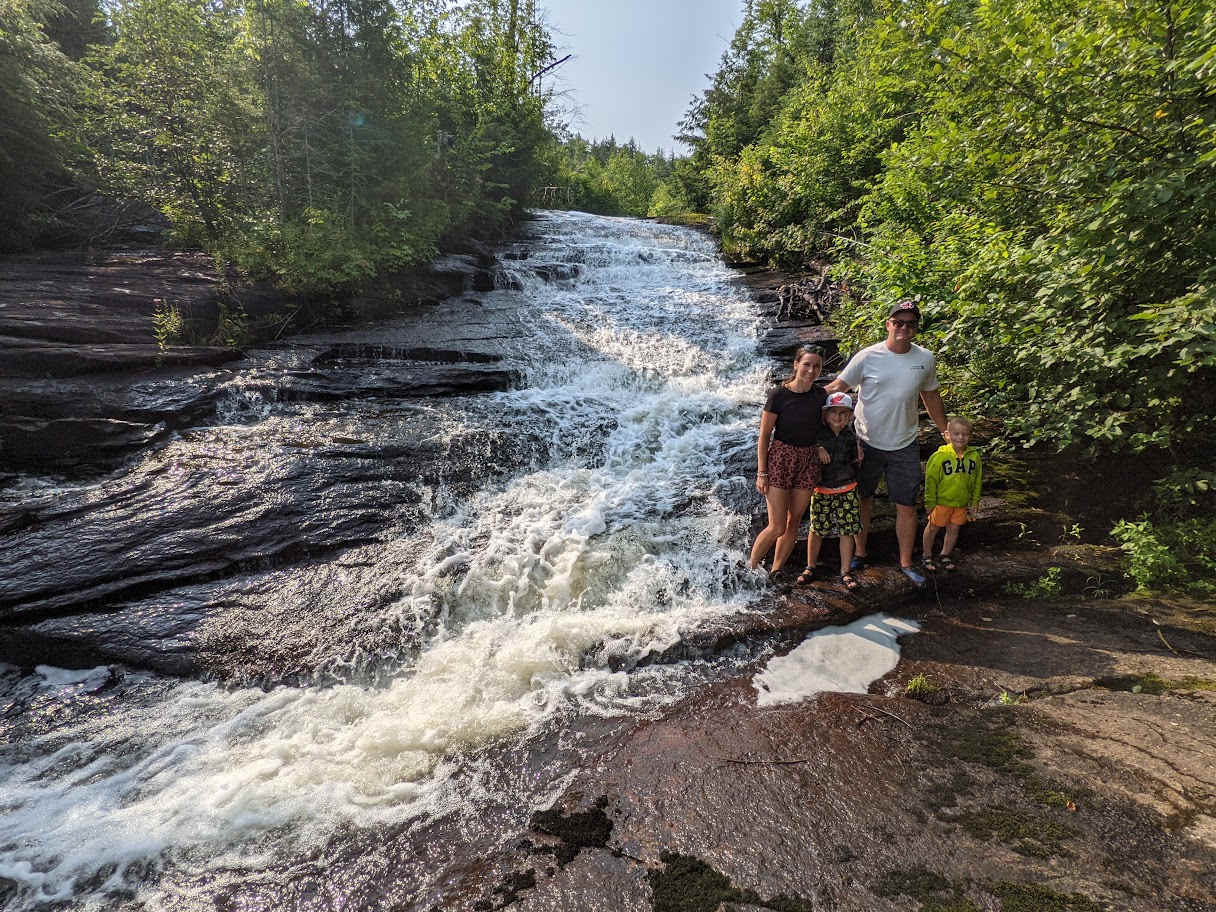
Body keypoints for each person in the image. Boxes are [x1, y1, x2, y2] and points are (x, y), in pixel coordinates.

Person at [824, 300, 947, 587]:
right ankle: (860, 553)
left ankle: (905, 562)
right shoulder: (867, 356)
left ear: (916, 328)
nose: (904, 327)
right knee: (862, 498)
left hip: (904, 443)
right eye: (899, 322)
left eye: (911, 323)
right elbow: (838, 388)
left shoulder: (925, 359)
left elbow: (931, 396)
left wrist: (945, 431)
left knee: (906, 504)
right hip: (865, 442)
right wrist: (797, 399)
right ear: (888, 324)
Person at [749, 346, 825, 572]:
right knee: (777, 526)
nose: (811, 370)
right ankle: (749, 568)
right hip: (781, 459)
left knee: (795, 521)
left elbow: (824, 426)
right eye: (807, 364)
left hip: (808, 460)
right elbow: (764, 436)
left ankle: (776, 571)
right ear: (796, 365)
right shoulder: (778, 395)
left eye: (816, 366)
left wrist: (821, 446)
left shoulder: (820, 396)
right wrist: (762, 472)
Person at [800, 391, 862, 589]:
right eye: (834, 412)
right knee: (816, 529)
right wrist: (817, 448)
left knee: (847, 531)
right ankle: (810, 567)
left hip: (847, 489)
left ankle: (845, 571)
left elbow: (856, 461)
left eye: (843, 413)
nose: (838, 417)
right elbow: (805, 451)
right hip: (822, 490)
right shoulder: (817, 435)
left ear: (850, 416)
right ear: (826, 415)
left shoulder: (851, 436)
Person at [922, 416, 982, 571]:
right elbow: (931, 481)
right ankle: (926, 555)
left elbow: (977, 480)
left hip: (961, 503)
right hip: (942, 502)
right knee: (933, 528)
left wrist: (975, 500)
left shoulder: (974, 456)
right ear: (948, 435)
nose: (960, 437)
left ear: (970, 436)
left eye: (965, 434)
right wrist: (930, 502)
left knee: (954, 529)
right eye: (956, 434)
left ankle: (945, 554)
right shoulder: (939, 456)